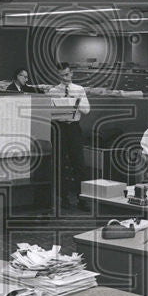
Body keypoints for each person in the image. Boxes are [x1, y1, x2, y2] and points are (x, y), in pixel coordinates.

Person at [47, 63, 90, 207]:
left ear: (71, 73)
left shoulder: (79, 89)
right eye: (61, 76)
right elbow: (48, 113)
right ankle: (63, 198)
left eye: (66, 75)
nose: (65, 78)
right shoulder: (53, 91)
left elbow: (87, 110)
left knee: (79, 164)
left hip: (73, 128)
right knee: (61, 164)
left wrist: (74, 101)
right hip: (59, 128)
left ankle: (82, 199)